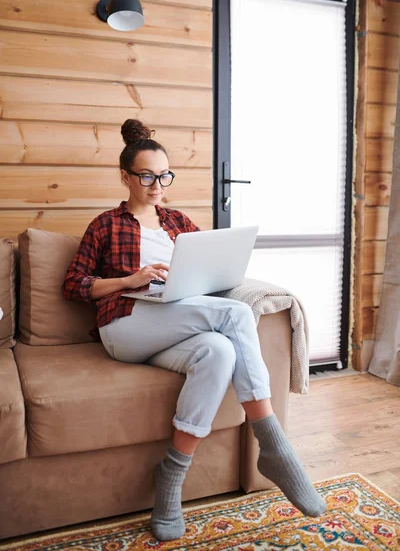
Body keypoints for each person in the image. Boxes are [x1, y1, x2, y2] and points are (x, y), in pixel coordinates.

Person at [63, 119, 326, 542]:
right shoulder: (106, 225)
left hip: (175, 321)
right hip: (126, 324)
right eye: (146, 176)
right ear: (125, 176)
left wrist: (200, 279)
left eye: (164, 175)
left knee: (220, 353)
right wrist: (130, 280)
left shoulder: (178, 222)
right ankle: (274, 447)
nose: (156, 185)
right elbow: (74, 285)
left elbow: (214, 274)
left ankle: (170, 476)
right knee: (236, 317)